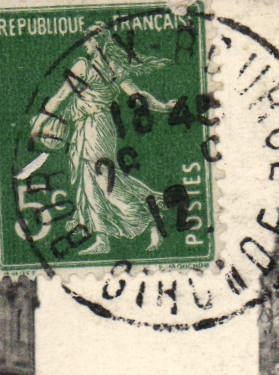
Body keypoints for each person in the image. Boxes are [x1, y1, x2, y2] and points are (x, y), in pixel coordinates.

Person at [27, 24, 178, 256]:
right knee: (90, 181)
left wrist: (37, 128)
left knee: (104, 183)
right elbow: (138, 96)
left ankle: (147, 218)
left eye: (88, 39)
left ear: (97, 41)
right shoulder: (114, 67)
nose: (85, 43)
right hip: (96, 126)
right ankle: (103, 239)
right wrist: (164, 107)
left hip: (92, 128)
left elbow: (59, 97)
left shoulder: (83, 66)